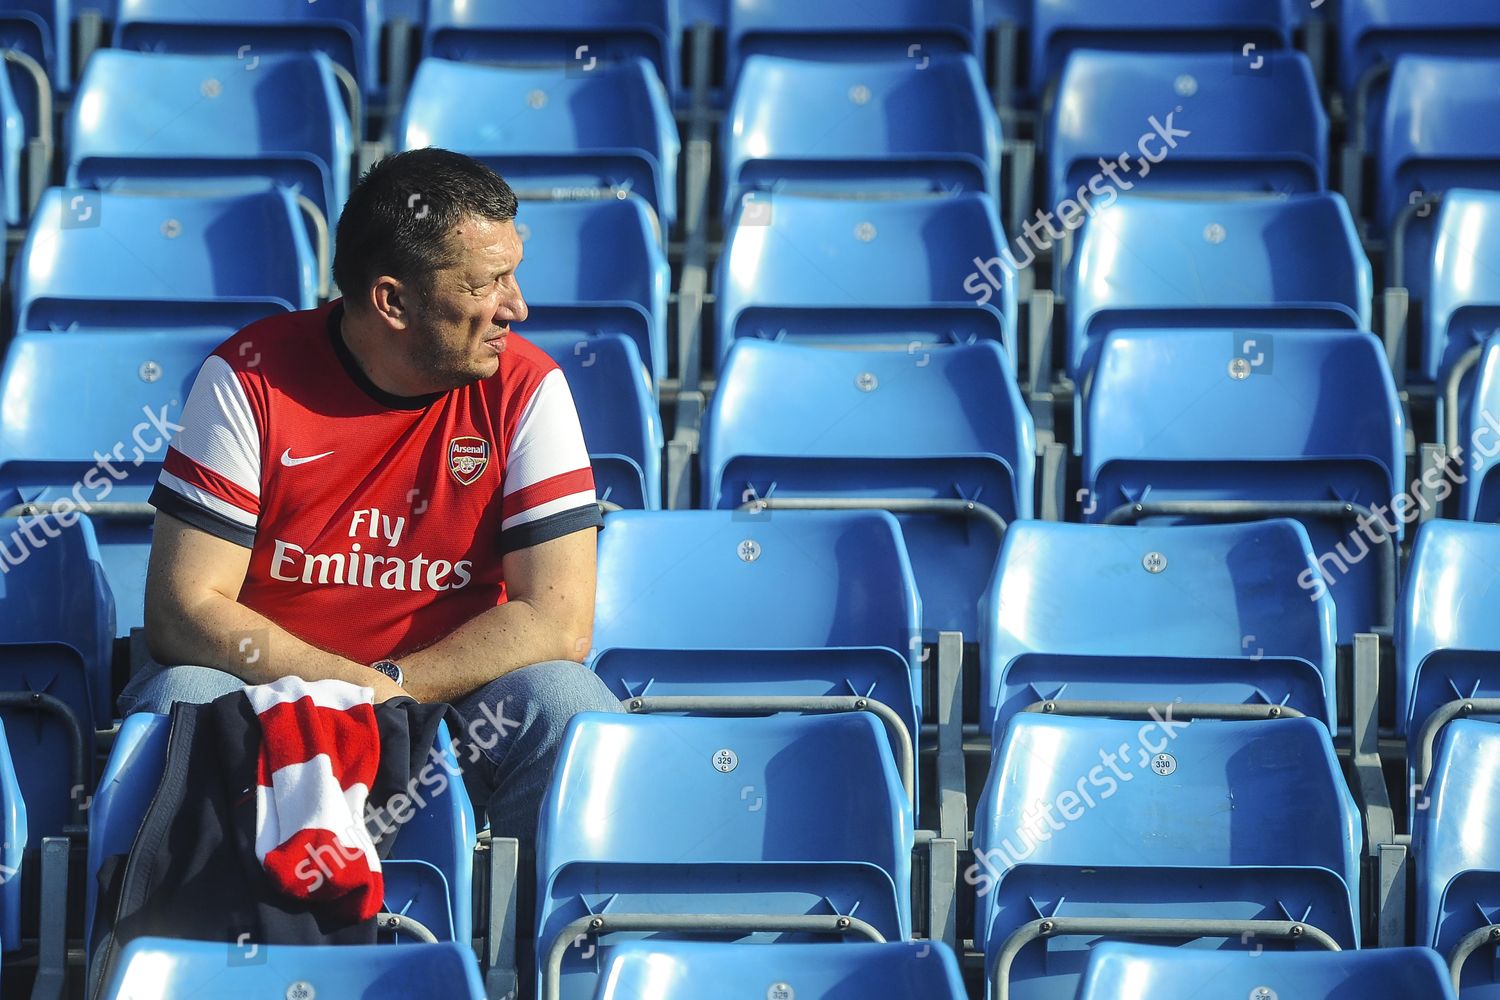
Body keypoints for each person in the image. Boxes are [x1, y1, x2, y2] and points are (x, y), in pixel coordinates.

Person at [118, 147, 623, 852]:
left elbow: (556, 620)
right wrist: (348, 691)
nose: (519, 306)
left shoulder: (528, 388)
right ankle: (196, 951)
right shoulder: (249, 377)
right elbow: (182, 611)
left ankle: (528, 958)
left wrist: (390, 689)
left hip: (448, 706)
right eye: (491, 282)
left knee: (567, 702)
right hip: (265, 695)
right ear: (393, 300)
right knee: (184, 699)